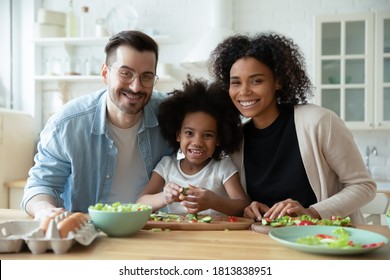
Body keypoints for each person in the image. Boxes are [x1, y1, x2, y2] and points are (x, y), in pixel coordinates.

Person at [208, 32, 376, 224]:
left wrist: (311, 212)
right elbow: (241, 202)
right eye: (236, 82)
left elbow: (363, 186)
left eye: (256, 81)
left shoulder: (319, 122)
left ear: (278, 81)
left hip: (325, 240)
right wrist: (250, 207)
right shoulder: (236, 141)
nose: (244, 91)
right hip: (263, 244)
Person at [21, 30, 172, 220]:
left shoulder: (170, 114)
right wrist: (45, 210)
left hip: (154, 230)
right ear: (105, 74)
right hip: (90, 233)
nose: (136, 86)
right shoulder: (67, 124)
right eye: (126, 73)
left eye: (147, 76)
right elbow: (41, 186)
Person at [137, 77, 250, 216]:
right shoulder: (166, 166)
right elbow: (140, 203)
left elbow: (244, 206)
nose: (197, 142)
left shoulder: (223, 168)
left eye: (207, 135)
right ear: (178, 135)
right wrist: (164, 197)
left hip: (218, 236)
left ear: (218, 139)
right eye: (189, 133)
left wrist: (213, 201)